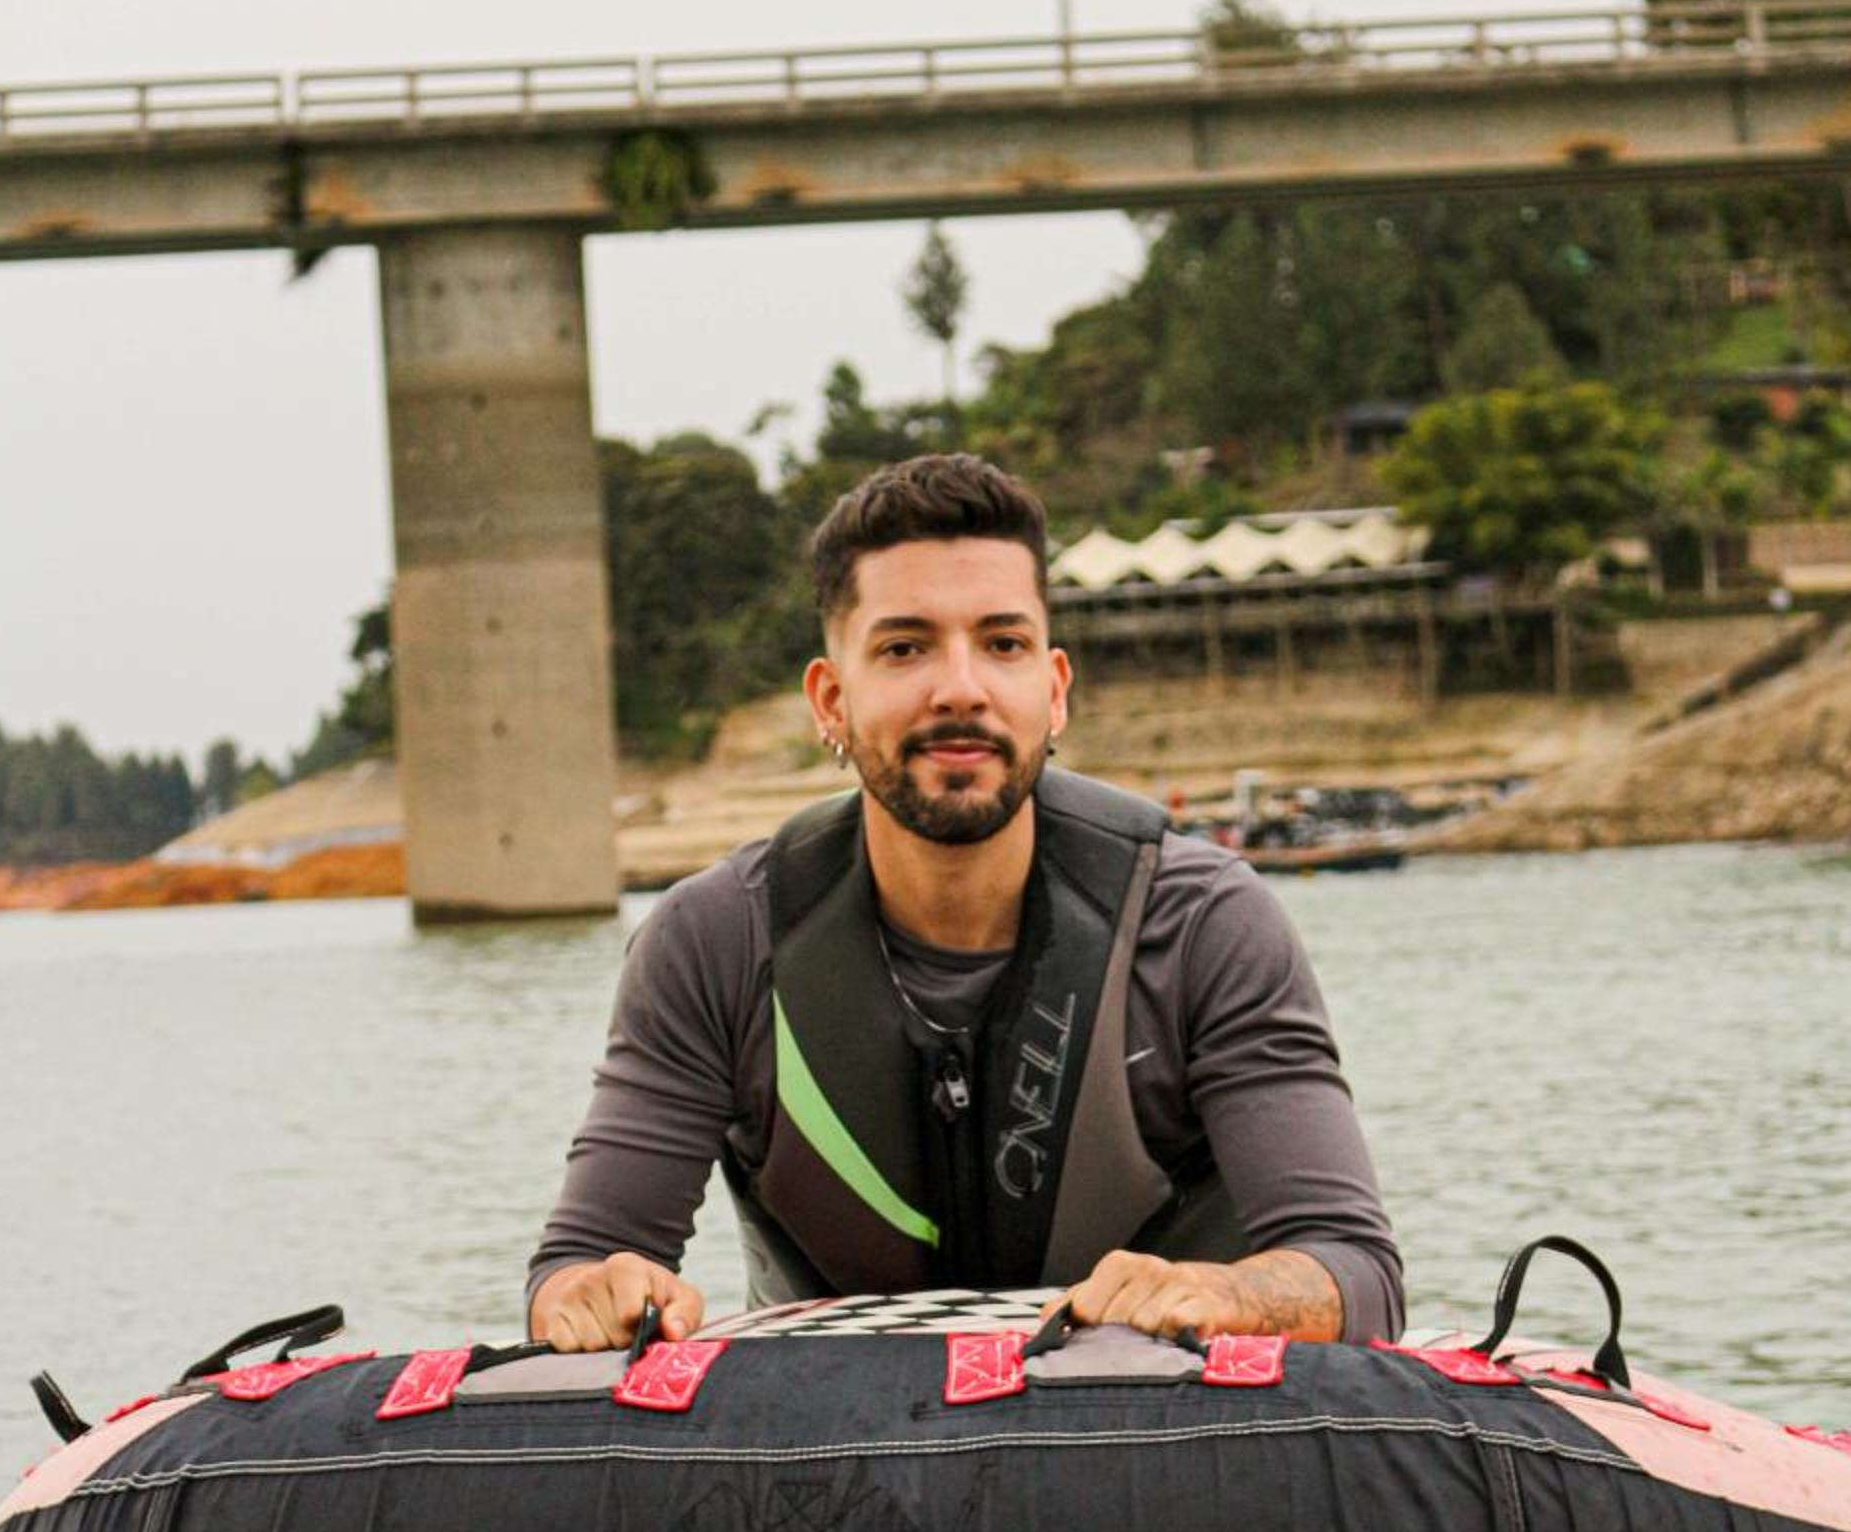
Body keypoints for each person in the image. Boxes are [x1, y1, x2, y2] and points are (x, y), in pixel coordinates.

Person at [527, 454, 1402, 1351]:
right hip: (843, 1449)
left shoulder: (1205, 922)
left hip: (1152, 1442)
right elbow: (583, 1262)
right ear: (830, 700)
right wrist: (598, 1291)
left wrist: (1227, 1293)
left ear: (1054, 691)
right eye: (905, 647)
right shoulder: (713, 940)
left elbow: (1354, 1272)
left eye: (1003, 644)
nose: (961, 689)